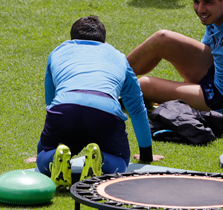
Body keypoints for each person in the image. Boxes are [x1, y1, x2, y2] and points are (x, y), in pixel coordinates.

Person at [36, 16, 155, 189]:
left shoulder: (57, 52)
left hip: (65, 109)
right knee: (121, 161)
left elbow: (51, 103)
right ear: (104, 41)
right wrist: (146, 154)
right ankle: (101, 160)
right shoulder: (119, 57)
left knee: (46, 154)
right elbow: (137, 110)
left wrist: (43, 150)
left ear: (71, 39)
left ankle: (53, 157)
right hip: (105, 112)